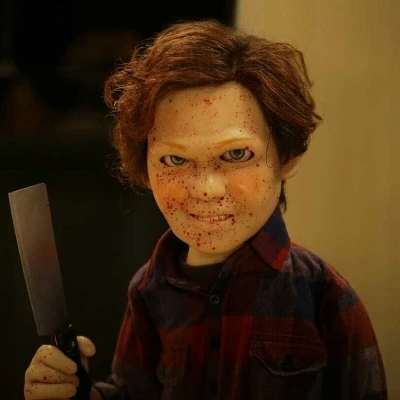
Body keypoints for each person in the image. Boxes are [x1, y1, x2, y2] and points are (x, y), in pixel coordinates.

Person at [24, 19, 387, 400]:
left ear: (287, 157)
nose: (205, 189)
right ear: (144, 168)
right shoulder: (148, 292)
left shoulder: (324, 296)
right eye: (174, 160)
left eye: (236, 154)